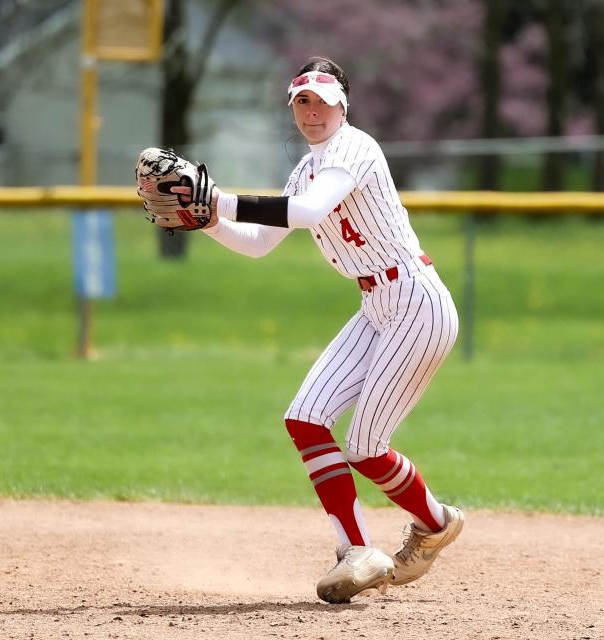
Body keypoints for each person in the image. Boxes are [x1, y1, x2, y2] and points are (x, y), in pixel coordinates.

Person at [143, 56, 464, 604]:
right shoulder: (304, 170)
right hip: (376, 304)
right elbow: (257, 243)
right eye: (302, 101)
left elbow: (311, 212)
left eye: (322, 100)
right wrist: (210, 221)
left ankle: (437, 522)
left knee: (365, 446)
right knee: (305, 419)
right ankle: (357, 551)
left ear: (344, 103)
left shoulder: (356, 148)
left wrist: (216, 197)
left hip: (416, 299)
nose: (312, 111)